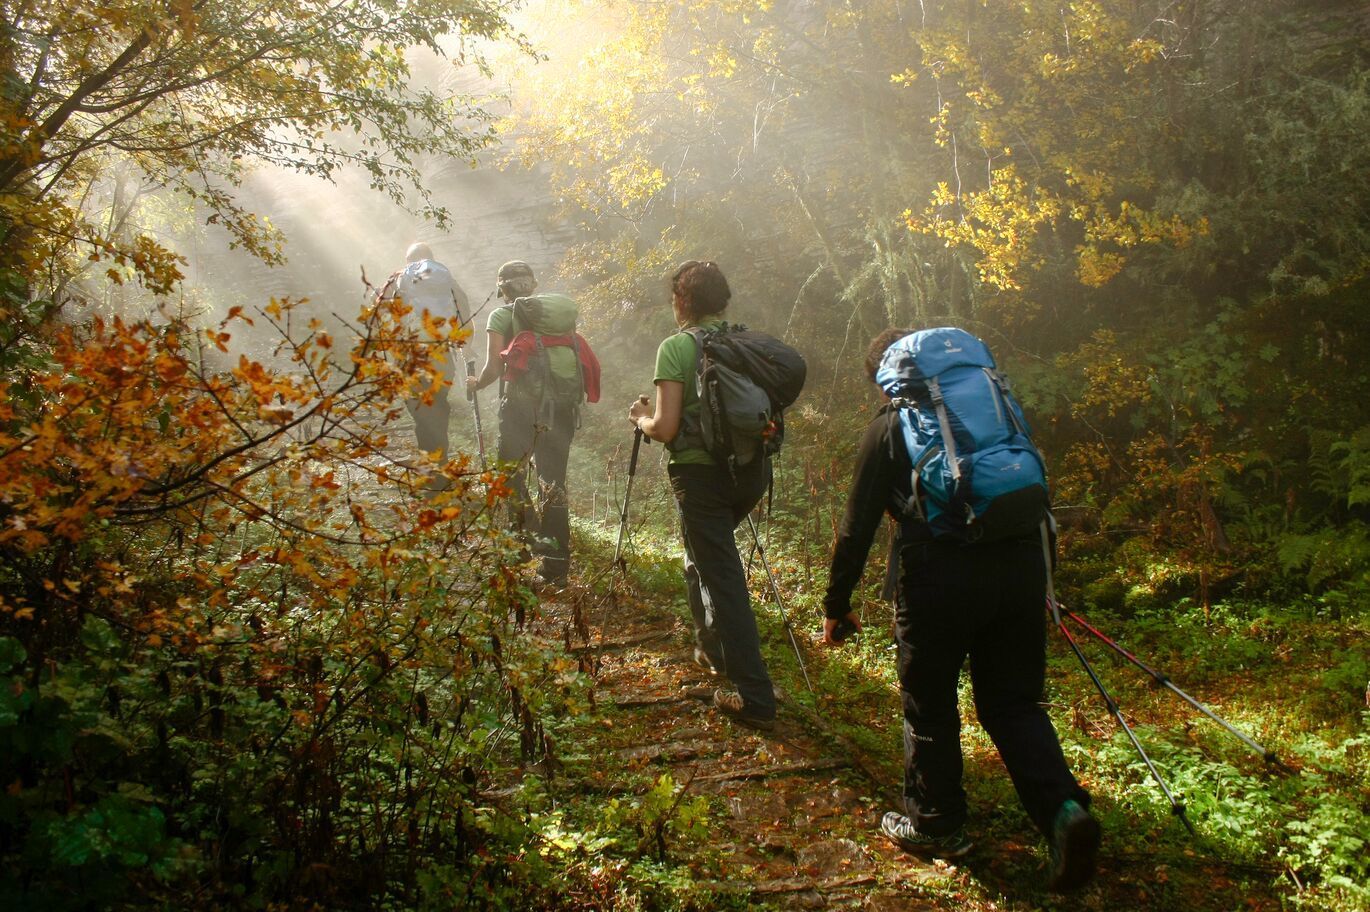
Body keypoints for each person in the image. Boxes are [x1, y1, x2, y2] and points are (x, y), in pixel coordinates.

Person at [821, 327, 1101, 891]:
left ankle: (935, 822)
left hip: (940, 575)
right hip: (1021, 566)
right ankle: (1065, 813)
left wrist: (837, 602)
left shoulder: (890, 427)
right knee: (1015, 703)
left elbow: (857, 527)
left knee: (929, 703)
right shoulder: (994, 410)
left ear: (887, 379)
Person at [627, 261, 777, 732]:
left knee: (724, 575)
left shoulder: (676, 348)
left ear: (683, 300)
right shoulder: (747, 342)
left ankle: (754, 695)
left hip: (700, 477)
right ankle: (712, 652)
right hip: (751, 472)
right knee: (705, 558)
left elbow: (666, 427)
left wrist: (640, 419)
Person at [468, 260, 580, 585]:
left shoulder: (501, 315)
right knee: (554, 482)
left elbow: (493, 367)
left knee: (509, 476)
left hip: (521, 409)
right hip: (561, 409)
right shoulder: (553, 315)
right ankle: (556, 564)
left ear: (502, 287)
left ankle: (521, 547)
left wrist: (477, 384)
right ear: (532, 284)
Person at [386, 242, 468, 464]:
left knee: (419, 407)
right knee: (438, 401)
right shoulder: (446, 278)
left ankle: (432, 463)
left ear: (408, 260)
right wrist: (462, 340)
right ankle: (437, 458)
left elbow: (381, 310)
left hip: (410, 353)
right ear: (431, 257)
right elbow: (464, 308)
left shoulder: (401, 277)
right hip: (441, 351)